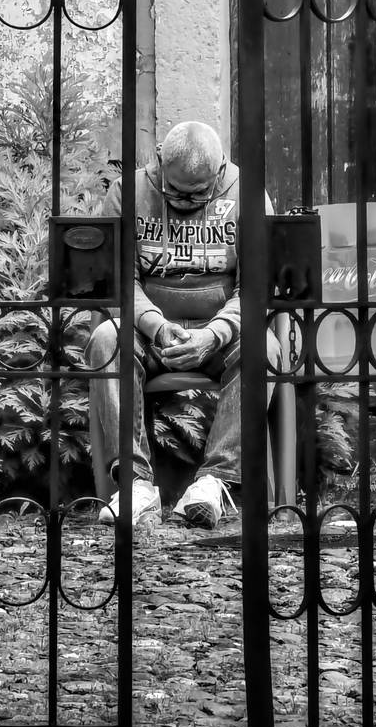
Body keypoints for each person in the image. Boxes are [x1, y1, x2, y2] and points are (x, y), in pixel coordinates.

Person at [83, 120, 278, 530]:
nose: (187, 200)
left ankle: (213, 483)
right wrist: (156, 326)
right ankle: (135, 486)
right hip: (150, 331)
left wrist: (213, 334)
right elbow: (119, 281)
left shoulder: (248, 193)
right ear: (158, 160)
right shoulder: (127, 192)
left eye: (200, 192)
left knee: (265, 347)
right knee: (104, 339)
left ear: (221, 167)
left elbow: (256, 288)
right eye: (177, 190)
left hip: (221, 333)